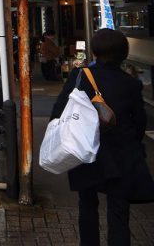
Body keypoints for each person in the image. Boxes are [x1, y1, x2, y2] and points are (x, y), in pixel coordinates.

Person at [50, 29, 152, 246]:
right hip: (121, 156)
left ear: (95, 51)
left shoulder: (80, 77)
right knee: (119, 212)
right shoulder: (131, 83)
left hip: (85, 152)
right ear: (123, 54)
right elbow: (140, 123)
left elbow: (59, 113)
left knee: (87, 205)